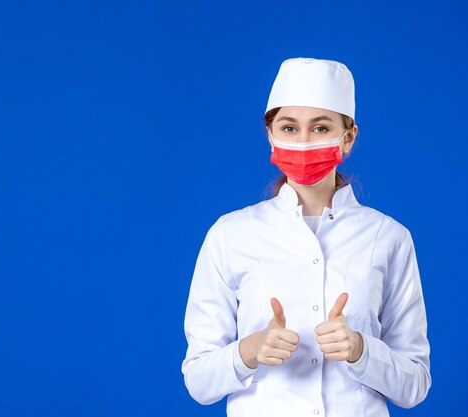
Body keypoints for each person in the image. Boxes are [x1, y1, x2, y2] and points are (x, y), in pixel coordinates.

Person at [181, 58, 431, 417]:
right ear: (270, 135)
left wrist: (362, 349)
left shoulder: (388, 237)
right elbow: (199, 381)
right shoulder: (230, 235)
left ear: (348, 138)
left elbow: (416, 385)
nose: (303, 141)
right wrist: (250, 350)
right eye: (288, 127)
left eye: (319, 128)